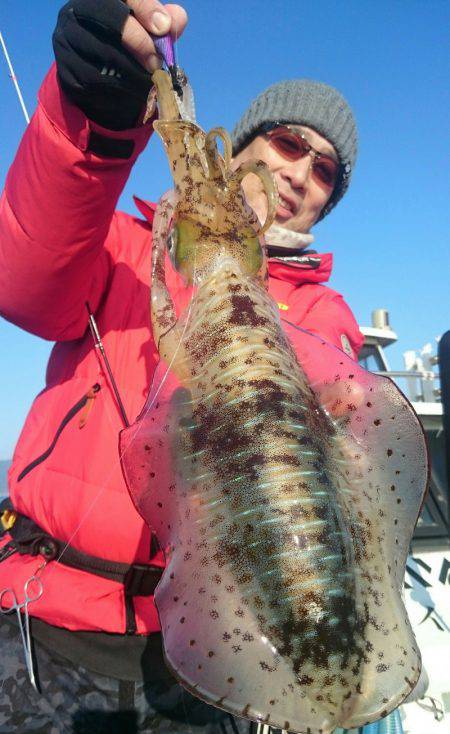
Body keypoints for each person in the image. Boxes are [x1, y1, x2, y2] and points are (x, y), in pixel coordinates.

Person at [0, 1, 364, 732]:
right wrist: (95, 108)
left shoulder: (323, 317)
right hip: (45, 624)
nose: (300, 174)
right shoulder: (127, 247)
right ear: (244, 144)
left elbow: (336, 444)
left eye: (325, 171)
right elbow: (25, 278)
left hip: (199, 656)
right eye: (289, 143)